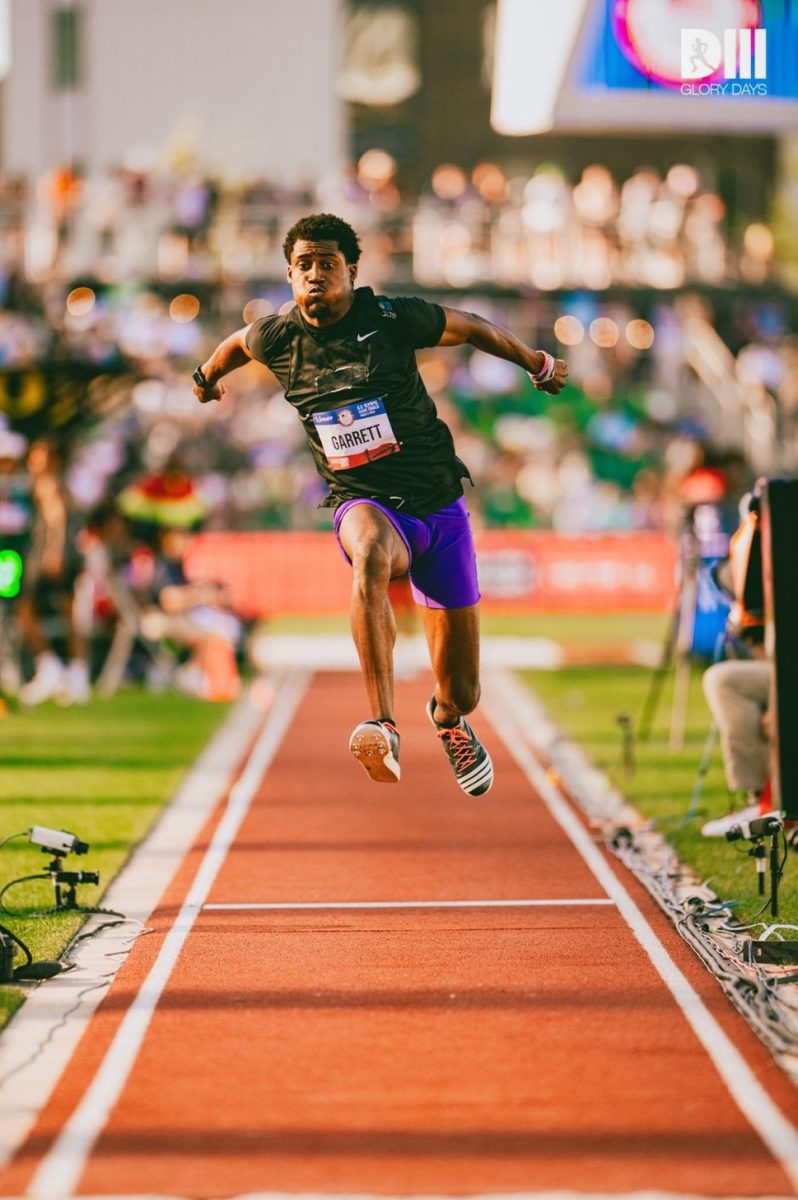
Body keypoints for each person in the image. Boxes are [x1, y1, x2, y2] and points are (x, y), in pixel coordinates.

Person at [192, 212, 567, 794]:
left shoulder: (390, 318)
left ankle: (446, 721)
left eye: (327, 264)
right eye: (303, 266)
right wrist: (205, 378)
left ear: (351, 271)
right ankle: (382, 723)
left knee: (463, 689)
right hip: (364, 502)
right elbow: (233, 346)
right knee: (367, 555)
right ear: (290, 276)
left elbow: (468, 325)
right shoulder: (278, 336)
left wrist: (535, 362)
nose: (315, 274)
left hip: (438, 506)